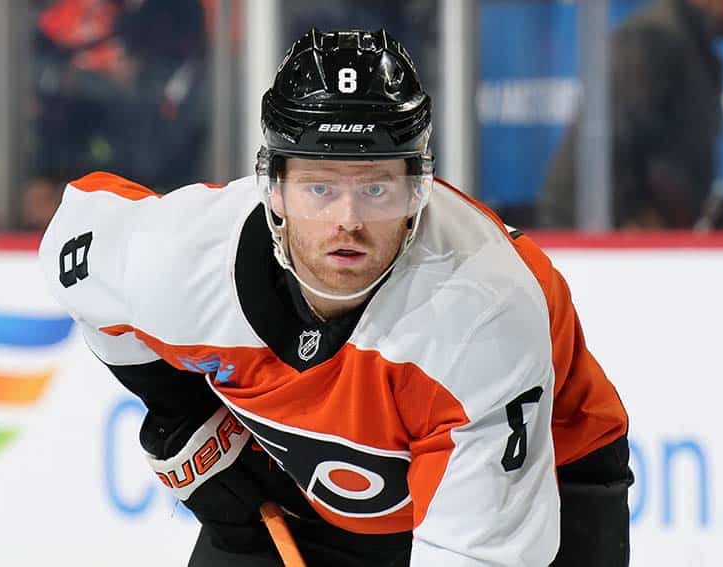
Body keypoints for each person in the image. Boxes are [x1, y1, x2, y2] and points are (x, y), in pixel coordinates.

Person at [40, 29, 631, 566]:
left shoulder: (479, 314)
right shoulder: (184, 256)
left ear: (417, 189)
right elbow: (73, 251)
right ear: (274, 188)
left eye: (376, 188)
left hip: (544, 477)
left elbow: (478, 554)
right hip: (305, 487)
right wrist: (181, 411)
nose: (348, 221)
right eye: (320, 187)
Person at [539, 0, 723, 229]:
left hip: (653, 228)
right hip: (606, 227)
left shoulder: (696, 47)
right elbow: (621, 137)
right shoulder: (653, 36)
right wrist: (640, 222)